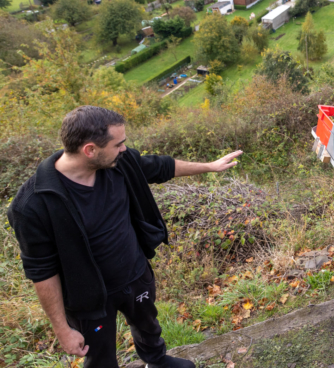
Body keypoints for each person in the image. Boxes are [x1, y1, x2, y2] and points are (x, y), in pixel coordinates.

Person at [7, 106, 243, 367]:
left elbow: (159, 166)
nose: (124, 149)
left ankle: (156, 360)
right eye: (118, 144)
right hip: (90, 300)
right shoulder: (32, 205)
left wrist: (210, 166)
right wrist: (62, 329)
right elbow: (42, 271)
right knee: (100, 356)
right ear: (90, 150)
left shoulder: (120, 163)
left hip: (136, 276)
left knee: (147, 326)